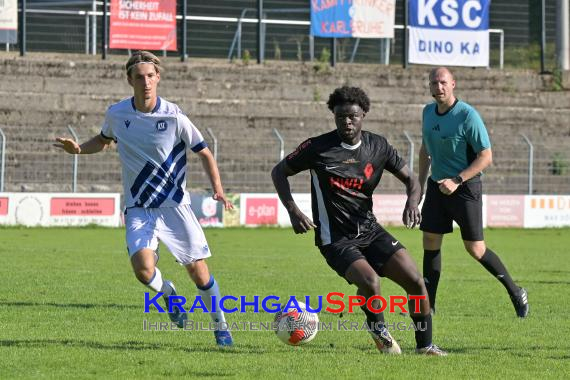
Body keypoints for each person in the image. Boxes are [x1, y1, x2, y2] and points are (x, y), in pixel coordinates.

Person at [55, 51, 234, 346]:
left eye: (151, 76)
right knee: (143, 270)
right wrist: (78, 149)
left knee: (198, 272)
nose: (146, 82)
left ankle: (221, 327)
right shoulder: (117, 114)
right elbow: (102, 140)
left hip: (174, 206)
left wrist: (218, 189)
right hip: (139, 207)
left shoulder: (174, 115)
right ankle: (169, 296)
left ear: (158, 78)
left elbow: (203, 150)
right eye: (140, 77)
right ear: (130, 80)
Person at [271, 86, 447, 356]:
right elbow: (279, 172)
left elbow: (412, 179)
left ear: (363, 114)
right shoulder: (317, 147)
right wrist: (293, 210)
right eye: (340, 117)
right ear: (334, 116)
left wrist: (413, 202)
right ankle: (378, 330)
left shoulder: (378, 146)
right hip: (335, 239)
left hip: (370, 230)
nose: (347, 122)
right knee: (371, 282)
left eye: (352, 116)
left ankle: (425, 346)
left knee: (416, 282)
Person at [418, 67, 529, 318]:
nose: (439, 87)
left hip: (465, 188)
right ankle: (428, 307)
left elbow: (486, 156)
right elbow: (425, 149)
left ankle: (516, 291)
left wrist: (457, 180)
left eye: (443, 82)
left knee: (475, 249)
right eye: (434, 83)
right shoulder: (427, 112)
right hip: (437, 187)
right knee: (430, 242)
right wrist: (420, 184)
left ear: (453, 84)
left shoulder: (467, 115)